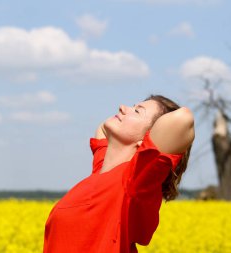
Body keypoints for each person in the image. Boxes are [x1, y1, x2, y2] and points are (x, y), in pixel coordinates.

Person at [43, 95, 195, 253]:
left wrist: (149, 145)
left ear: (146, 141)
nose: (122, 107)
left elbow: (183, 119)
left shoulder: (135, 182)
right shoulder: (100, 169)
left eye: (137, 111)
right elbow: (102, 128)